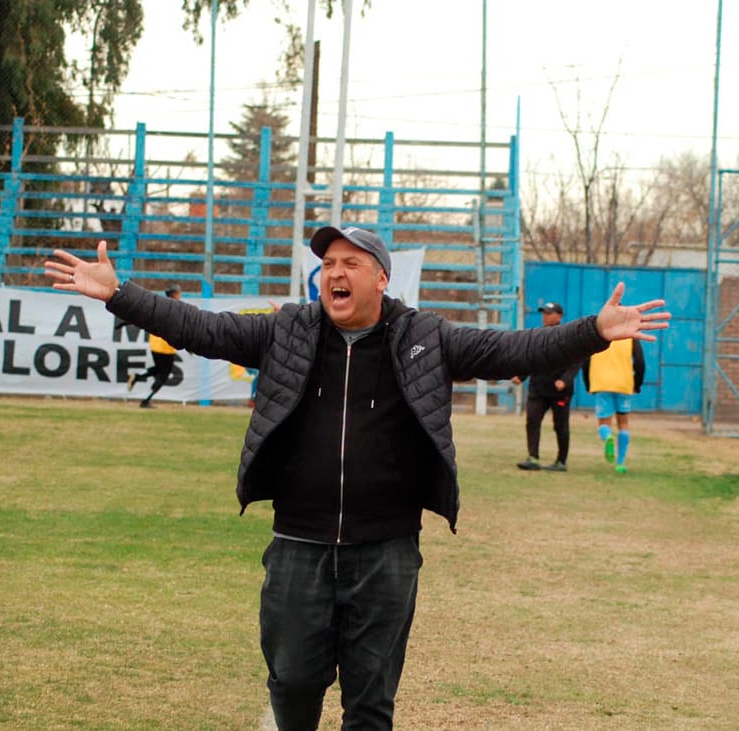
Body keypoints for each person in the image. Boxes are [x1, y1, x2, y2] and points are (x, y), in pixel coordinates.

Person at [44, 226, 670, 730]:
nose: (334, 273)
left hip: (387, 551)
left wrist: (591, 333)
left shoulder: (425, 337)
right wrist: (120, 293)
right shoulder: (287, 330)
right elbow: (204, 329)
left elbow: (512, 349)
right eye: (327, 263)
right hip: (297, 544)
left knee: (371, 704)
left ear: (379, 276)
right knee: (291, 685)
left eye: (349, 262)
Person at [512, 301, 581, 472]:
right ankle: (533, 457)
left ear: (559, 316)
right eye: (544, 313)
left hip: (559, 391)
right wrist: (521, 376)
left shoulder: (568, 335)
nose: (545, 316)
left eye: (549, 313)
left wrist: (565, 380)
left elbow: (578, 360)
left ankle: (561, 461)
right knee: (532, 421)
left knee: (560, 425)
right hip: (538, 388)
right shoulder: (537, 334)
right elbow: (531, 358)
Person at [581, 337, 645, 474]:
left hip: (601, 383)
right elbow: (640, 362)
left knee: (604, 422)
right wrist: (637, 384)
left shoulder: (598, 334)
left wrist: (588, 383)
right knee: (623, 423)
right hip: (623, 384)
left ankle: (608, 437)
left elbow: (586, 360)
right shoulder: (630, 337)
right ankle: (620, 463)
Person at [125, 286, 183, 408]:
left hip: (155, 344)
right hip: (166, 347)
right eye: (178, 293)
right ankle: (146, 400)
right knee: (163, 375)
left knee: (159, 369)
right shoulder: (176, 308)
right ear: (174, 294)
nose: (180, 295)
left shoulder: (160, 304)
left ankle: (138, 376)